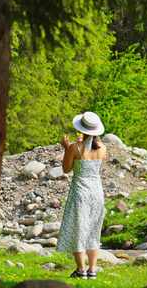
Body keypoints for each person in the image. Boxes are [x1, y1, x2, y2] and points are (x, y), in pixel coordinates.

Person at [56, 111, 108, 279]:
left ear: (82, 129)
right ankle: (92, 270)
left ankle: (81, 270)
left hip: (80, 192)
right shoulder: (104, 148)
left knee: (79, 229)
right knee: (94, 230)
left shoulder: (75, 147)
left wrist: (66, 148)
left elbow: (66, 169)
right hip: (97, 192)